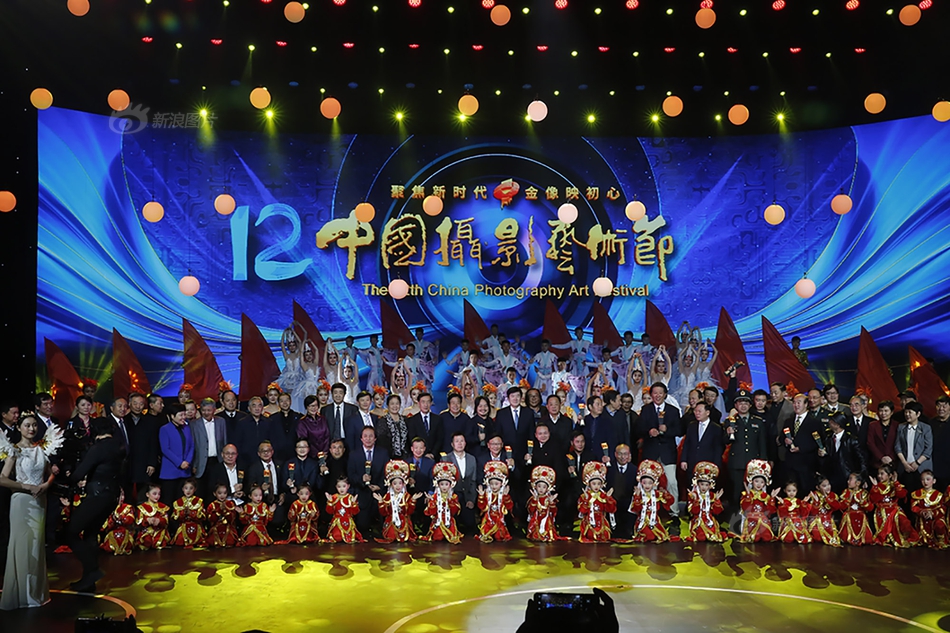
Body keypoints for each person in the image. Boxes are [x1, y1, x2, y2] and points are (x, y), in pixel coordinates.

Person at [0, 413, 61, 610]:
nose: (32, 429)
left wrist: (45, 485)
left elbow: (51, 473)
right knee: (21, 545)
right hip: (21, 502)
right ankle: (19, 595)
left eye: (34, 425)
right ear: (19, 427)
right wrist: (26, 487)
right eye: (27, 425)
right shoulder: (14, 450)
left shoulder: (41, 449)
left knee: (36, 545)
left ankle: (35, 593)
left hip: (39, 501)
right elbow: (2, 478)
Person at [67, 416, 123, 593]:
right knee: (90, 533)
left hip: (98, 495)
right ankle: (88, 579)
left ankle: (92, 570)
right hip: (111, 495)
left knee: (71, 532)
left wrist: (68, 476)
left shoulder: (98, 448)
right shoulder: (119, 445)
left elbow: (79, 474)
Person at [637, 382, 683, 532]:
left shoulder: (673, 411)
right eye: (654, 393)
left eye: (660, 393)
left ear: (665, 395)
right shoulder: (645, 410)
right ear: (651, 395)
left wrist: (667, 430)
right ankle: (647, 510)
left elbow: (679, 430)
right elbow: (638, 429)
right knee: (647, 484)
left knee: (672, 482)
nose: (657, 396)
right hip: (650, 452)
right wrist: (649, 432)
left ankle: (674, 513)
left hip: (667, 452)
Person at [347, 426, 389, 536]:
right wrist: (361, 479)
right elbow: (351, 475)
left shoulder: (383, 453)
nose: (368, 439)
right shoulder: (353, 454)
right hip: (362, 492)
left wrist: (379, 486)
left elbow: (387, 472)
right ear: (361, 438)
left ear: (375, 438)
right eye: (365, 436)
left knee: (382, 528)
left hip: (379, 492)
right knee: (362, 526)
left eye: (371, 436)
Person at [870, 463, 918, 548]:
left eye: (882, 474)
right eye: (878, 474)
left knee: (905, 523)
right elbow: (874, 499)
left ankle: (905, 538)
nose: (879, 476)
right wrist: (875, 487)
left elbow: (901, 495)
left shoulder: (895, 485)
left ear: (890, 475)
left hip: (894, 510)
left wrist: (896, 483)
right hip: (882, 512)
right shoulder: (877, 487)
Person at [784, 393, 824, 494]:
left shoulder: (815, 422)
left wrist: (801, 448)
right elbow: (781, 437)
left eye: (799, 402)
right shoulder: (788, 421)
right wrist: (785, 441)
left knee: (805, 491)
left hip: (807, 464)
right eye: (794, 403)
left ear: (806, 404)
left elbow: (818, 442)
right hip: (790, 464)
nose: (796, 405)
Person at [374, 460, 422, 543]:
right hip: (391, 522)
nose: (397, 486)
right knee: (391, 535)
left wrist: (413, 500)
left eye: (400, 483)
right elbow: (384, 513)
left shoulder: (406, 496)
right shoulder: (387, 496)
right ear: (391, 484)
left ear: (404, 484)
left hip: (404, 522)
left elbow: (409, 512)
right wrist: (381, 501)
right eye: (395, 483)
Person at [629, 459, 674, 543]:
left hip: (654, 521)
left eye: (650, 483)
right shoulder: (639, 494)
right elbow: (635, 509)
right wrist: (637, 497)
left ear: (654, 484)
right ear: (641, 483)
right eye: (645, 483)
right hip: (642, 521)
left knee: (656, 536)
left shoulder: (657, 494)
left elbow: (670, 501)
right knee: (649, 536)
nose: (647, 485)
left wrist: (665, 494)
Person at [192, 398, 227, 501]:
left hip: (217, 460)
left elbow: (224, 441)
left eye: (209, 410)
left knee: (216, 487)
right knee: (202, 489)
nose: (206, 413)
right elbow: (192, 445)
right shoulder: (194, 424)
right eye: (203, 410)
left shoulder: (221, 422)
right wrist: (194, 464)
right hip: (201, 461)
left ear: (214, 410)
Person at [441, 433, 477, 533]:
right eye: (457, 441)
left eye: (462, 441)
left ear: (465, 443)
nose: (459, 444)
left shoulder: (472, 459)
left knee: (470, 525)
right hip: (452, 497)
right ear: (452, 444)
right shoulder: (446, 459)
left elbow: (473, 481)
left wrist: (471, 500)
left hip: (467, 497)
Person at [822, 413, 867, 492]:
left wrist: (862, 477)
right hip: (831, 477)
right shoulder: (828, 438)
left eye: (832, 421)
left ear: (837, 424)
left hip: (846, 476)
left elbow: (861, 459)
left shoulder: (851, 440)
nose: (829, 422)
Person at [159, 408, 194, 504]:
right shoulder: (165, 429)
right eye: (180, 415)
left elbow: (192, 446)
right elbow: (165, 449)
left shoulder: (187, 428)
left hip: (185, 470)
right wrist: (180, 463)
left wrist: (187, 461)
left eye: (184, 415)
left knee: (183, 501)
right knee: (169, 500)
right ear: (172, 416)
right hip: (170, 471)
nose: (183, 417)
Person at [896, 402, 932, 492]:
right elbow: (897, 446)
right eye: (906, 412)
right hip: (905, 467)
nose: (907, 415)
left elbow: (928, 449)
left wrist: (917, 462)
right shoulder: (901, 427)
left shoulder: (926, 428)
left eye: (910, 412)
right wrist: (904, 463)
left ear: (918, 414)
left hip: (921, 467)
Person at [422, 462, 462, 543]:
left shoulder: (453, 496)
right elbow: (430, 512)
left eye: (446, 484)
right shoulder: (435, 497)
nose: (444, 487)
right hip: (438, 521)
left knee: (451, 537)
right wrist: (432, 501)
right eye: (442, 484)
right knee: (437, 538)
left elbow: (455, 511)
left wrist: (450, 501)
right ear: (438, 485)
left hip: (449, 520)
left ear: (451, 485)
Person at [577, 461, 616, 543]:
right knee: (590, 535)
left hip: (601, 522)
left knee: (604, 536)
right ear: (589, 484)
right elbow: (582, 511)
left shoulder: (603, 495)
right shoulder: (584, 496)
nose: (596, 486)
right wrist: (586, 500)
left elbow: (611, 509)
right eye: (594, 484)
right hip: (589, 522)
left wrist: (608, 498)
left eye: (599, 484)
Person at [685, 461, 724, 543]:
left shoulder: (712, 495)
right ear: (698, 484)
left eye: (706, 485)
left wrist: (716, 500)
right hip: (697, 521)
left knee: (713, 536)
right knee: (701, 537)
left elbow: (717, 512)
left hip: (709, 521)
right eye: (702, 484)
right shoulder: (693, 495)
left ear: (710, 486)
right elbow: (693, 512)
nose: (704, 487)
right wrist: (696, 500)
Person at [738, 459, 775, 543]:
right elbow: (745, 508)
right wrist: (748, 496)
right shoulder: (746, 494)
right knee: (755, 537)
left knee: (767, 537)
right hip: (751, 518)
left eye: (762, 482)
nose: (759, 484)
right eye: (756, 481)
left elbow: (769, 511)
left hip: (763, 518)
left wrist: (772, 498)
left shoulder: (766, 496)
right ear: (752, 481)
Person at [476, 460, 513, 543]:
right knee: (485, 535)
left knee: (500, 536)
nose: (494, 486)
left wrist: (506, 497)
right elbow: (482, 507)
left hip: (499, 520)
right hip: (488, 520)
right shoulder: (487, 493)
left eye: (496, 484)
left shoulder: (503, 494)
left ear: (502, 484)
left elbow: (509, 507)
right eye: (491, 484)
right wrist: (481, 496)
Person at [911, 470, 947, 549]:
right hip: (922, 520)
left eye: (928, 479)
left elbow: (942, 509)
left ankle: (940, 540)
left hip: (934, 519)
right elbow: (913, 507)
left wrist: (932, 513)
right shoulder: (917, 494)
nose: (925, 482)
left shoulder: (939, 495)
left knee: (940, 524)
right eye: (923, 479)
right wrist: (921, 511)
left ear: (934, 481)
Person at [526, 465, 562, 542]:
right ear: (535, 487)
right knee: (535, 535)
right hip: (536, 522)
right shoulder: (533, 498)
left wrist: (551, 502)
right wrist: (535, 501)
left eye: (544, 487)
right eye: (539, 486)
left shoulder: (548, 498)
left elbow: (554, 512)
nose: (541, 489)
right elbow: (531, 511)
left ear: (548, 488)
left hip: (546, 522)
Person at [406, 392, 444, 460]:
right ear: (418, 403)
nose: (425, 405)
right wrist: (424, 453)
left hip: (434, 457)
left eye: (428, 402)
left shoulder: (438, 419)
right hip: (418, 456)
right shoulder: (412, 420)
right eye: (423, 402)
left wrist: (433, 454)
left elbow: (440, 438)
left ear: (431, 403)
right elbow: (412, 438)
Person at [806, 476, 843, 547]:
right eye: (824, 486)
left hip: (828, 520)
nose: (828, 487)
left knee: (833, 537)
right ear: (818, 487)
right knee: (818, 538)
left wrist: (828, 499)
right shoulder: (814, 495)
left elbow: (837, 507)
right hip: (816, 520)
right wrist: (816, 502)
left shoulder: (832, 495)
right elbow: (813, 512)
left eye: (828, 484)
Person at [324, 477, 364, 543]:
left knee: (350, 538)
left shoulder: (350, 497)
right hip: (337, 523)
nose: (341, 489)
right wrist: (330, 502)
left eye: (344, 486)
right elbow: (329, 511)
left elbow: (355, 512)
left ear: (348, 486)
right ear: (336, 487)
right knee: (337, 537)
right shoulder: (334, 497)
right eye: (339, 486)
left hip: (348, 523)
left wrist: (354, 504)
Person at [839, 473, 874, 546]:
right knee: (848, 516)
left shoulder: (864, 493)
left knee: (862, 516)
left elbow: (870, 508)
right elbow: (841, 507)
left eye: (850, 479)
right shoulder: (846, 492)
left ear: (858, 483)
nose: (848, 481)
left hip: (861, 516)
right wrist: (848, 500)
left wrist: (862, 502)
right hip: (849, 515)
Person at [171, 477, 206, 548]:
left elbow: (202, 517)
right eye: (186, 488)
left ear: (195, 489)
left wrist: (191, 513)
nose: (188, 490)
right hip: (183, 526)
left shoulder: (199, 501)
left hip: (196, 526)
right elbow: (174, 517)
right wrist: (183, 513)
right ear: (183, 489)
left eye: (191, 488)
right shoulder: (178, 502)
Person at [100, 490, 136, 556]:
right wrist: (112, 520)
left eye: (122, 495)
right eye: (119, 496)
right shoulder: (108, 508)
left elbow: (131, 519)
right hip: (112, 533)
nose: (121, 498)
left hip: (126, 532)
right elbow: (104, 526)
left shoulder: (128, 507)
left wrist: (123, 519)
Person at [136, 483, 171, 550]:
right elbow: (138, 522)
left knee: (160, 540)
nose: (157, 496)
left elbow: (166, 521)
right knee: (146, 541)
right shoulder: (142, 507)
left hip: (159, 531)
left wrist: (159, 521)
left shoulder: (163, 507)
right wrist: (147, 520)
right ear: (147, 495)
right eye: (154, 494)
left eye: (159, 494)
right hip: (147, 531)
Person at [867, 400, 899, 472]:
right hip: (876, 462)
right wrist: (881, 457)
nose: (883, 413)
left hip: (892, 462)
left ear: (891, 412)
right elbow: (870, 443)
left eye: (886, 411)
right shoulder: (872, 425)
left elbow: (898, 443)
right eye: (881, 411)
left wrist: (891, 457)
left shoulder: (897, 426)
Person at [268, 392, 300, 463]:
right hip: (278, 455)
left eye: (287, 400)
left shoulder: (299, 417)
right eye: (281, 401)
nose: (284, 403)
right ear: (278, 403)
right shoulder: (272, 418)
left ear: (290, 402)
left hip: (295, 454)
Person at [206, 484, 240, 548]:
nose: (222, 495)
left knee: (230, 541)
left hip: (228, 526)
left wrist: (225, 511)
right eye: (219, 493)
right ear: (214, 493)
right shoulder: (212, 505)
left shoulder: (230, 503)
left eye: (224, 493)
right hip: (216, 527)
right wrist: (219, 511)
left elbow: (232, 519)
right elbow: (211, 520)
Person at [377, 394, 409, 460]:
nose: (395, 406)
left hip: (405, 457)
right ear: (387, 406)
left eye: (397, 403)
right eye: (392, 404)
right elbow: (381, 442)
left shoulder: (406, 420)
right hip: (388, 458)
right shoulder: (382, 421)